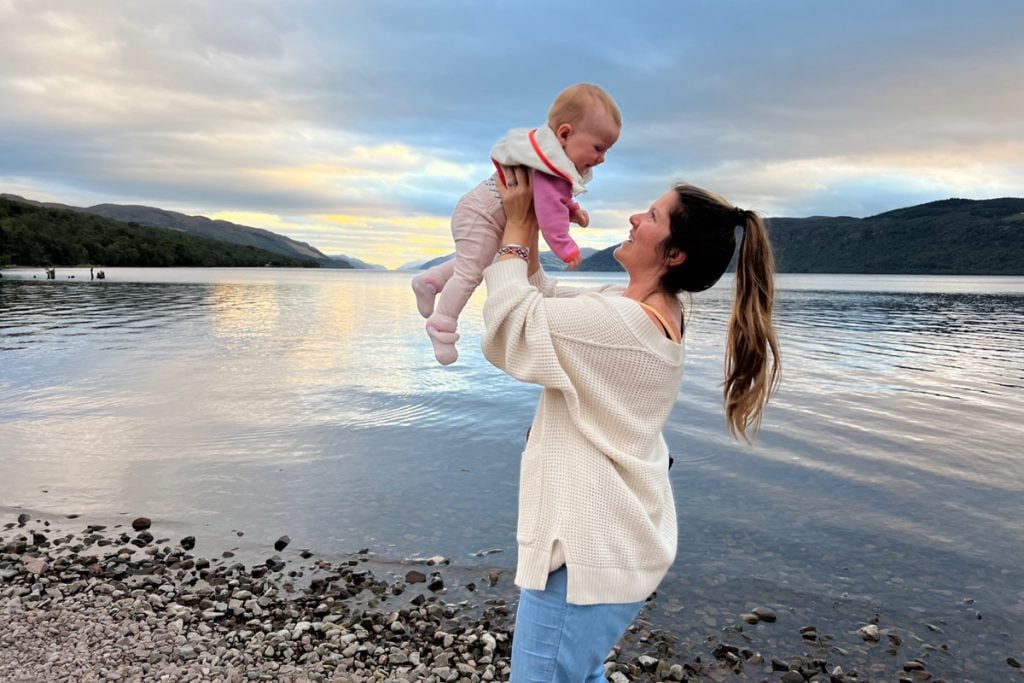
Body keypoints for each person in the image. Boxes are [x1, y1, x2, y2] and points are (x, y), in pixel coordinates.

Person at [481, 166, 781, 681]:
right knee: (581, 673)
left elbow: (511, 323)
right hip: (608, 549)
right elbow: (541, 295)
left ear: (675, 254)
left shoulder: (624, 325)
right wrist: (530, 221)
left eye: (654, 215)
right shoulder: (638, 311)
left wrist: (514, 228)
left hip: (582, 559)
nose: (635, 217)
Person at [412, 84, 621, 365]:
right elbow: (548, 215)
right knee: (471, 274)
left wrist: (573, 210)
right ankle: (442, 324)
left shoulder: (549, 165)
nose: (602, 158)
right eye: (598, 148)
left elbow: (553, 200)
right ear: (565, 134)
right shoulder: (550, 170)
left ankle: (430, 281)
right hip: (482, 215)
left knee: (482, 263)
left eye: (606, 151)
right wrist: (566, 248)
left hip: (483, 212)